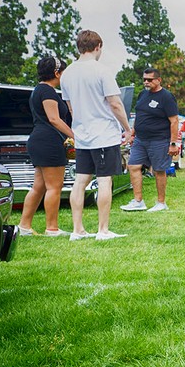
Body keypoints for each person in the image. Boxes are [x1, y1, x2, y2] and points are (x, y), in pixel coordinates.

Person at [59, 30, 132, 241]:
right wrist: (127, 129)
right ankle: (103, 230)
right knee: (104, 181)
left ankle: (77, 229)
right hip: (104, 135)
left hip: (82, 135)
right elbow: (116, 104)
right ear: (98, 46)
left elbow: (70, 108)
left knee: (80, 182)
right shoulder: (102, 71)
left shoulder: (68, 74)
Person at [17, 56, 75, 236]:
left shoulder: (37, 90)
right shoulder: (48, 92)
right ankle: (52, 228)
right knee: (54, 187)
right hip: (48, 141)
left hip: (38, 140)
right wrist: (75, 136)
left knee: (39, 187)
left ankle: (24, 226)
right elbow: (54, 119)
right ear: (57, 73)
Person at [120, 68, 179, 212]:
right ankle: (138, 201)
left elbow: (174, 121)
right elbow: (139, 117)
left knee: (159, 170)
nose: (146, 82)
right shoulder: (142, 94)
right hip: (140, 140)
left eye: (150, 79)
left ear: (159, 80)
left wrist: (173, 143)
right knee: (133, 166)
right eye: (144, 79)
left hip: (159, 139)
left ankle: (161, 203)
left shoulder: (166, 97)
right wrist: (132, 133)